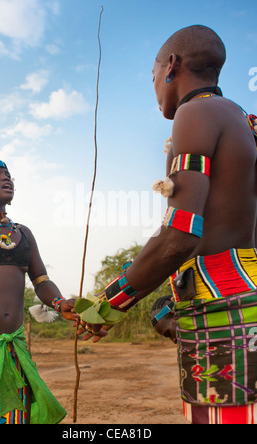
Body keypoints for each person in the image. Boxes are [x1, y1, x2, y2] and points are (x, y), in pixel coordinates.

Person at [78, 25, 257, 424]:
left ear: (172, 66)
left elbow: (179, 234)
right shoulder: (245, 122)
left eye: (153, 75)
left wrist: (107, 304)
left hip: (223, 310)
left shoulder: (197, 113)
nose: (155, 85)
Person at [0, 157, 77, 424]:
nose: (5, 178)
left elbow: (41, 280)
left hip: (13, 345)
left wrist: (59, 302)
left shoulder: (23, 233)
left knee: (14, 413)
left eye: (8, 174)